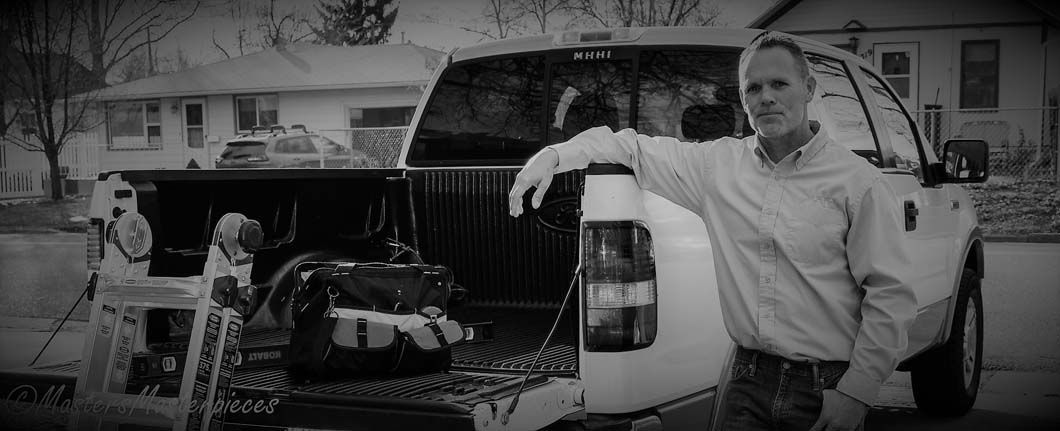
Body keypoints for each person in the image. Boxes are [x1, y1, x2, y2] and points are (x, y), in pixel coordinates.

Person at [507, 32, 916, 431]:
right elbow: (630, 146)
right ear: (742, 98)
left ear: (808, 88)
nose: (766, 97)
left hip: (826, 388)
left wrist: (858, 392)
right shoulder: (716, 167)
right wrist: (554, 155)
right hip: (745, 380)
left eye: (779, 84)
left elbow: (889, 295)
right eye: (753, 88)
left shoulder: (858, 182)